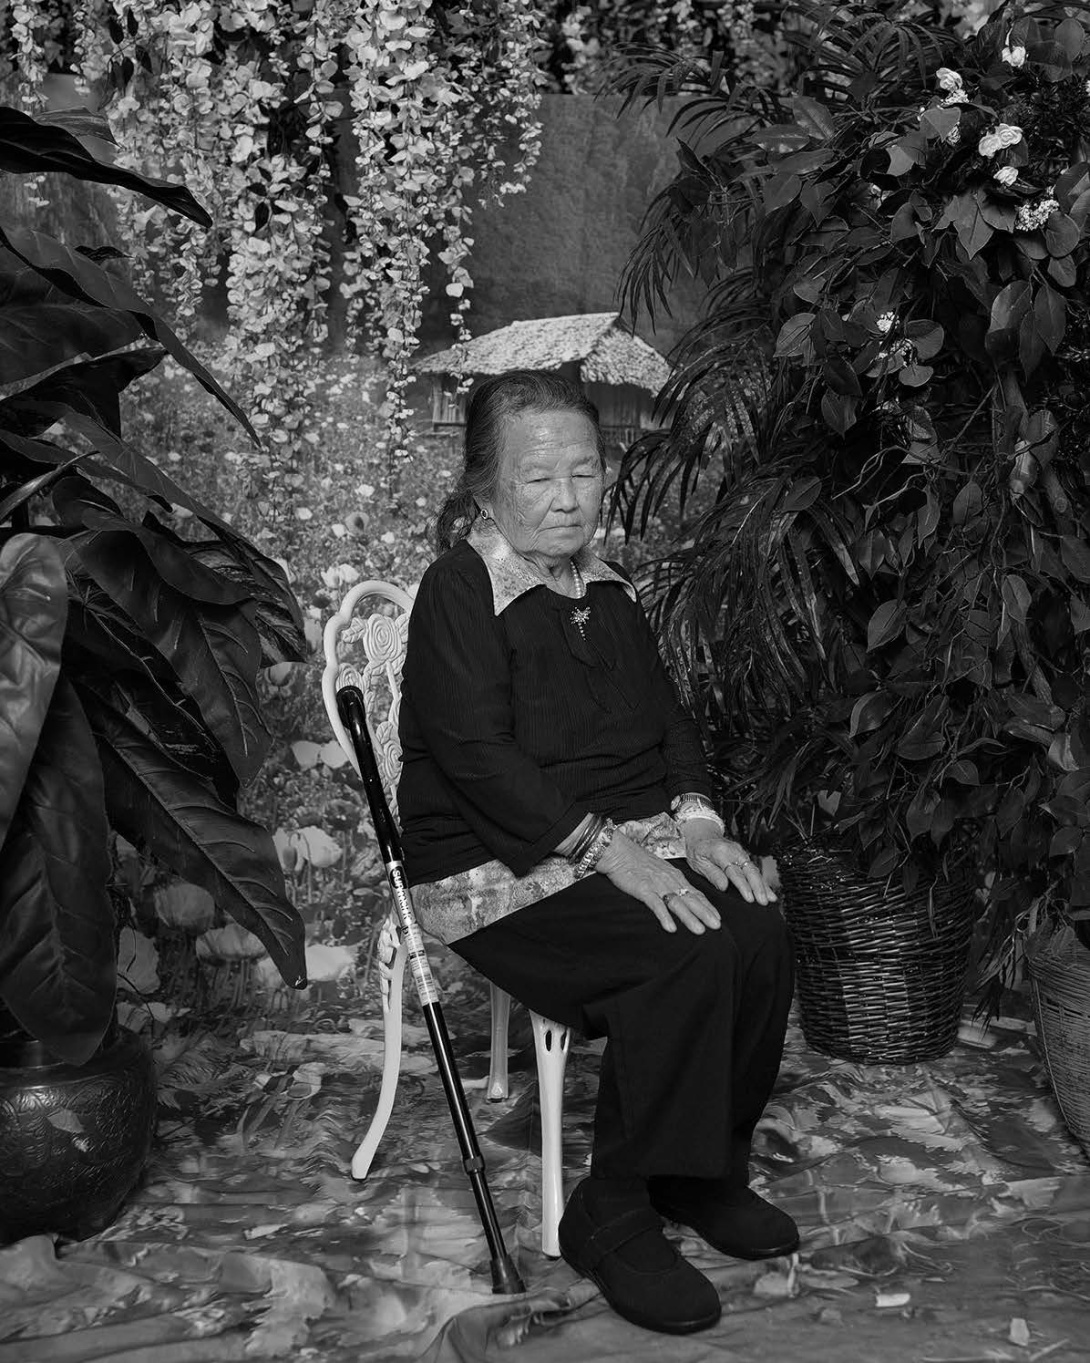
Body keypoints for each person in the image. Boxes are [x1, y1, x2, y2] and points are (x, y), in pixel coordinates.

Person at [397, 369, 795, 1336]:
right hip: (496, 866)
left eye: (585, 471)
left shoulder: (609, 589)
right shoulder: (459, 588)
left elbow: (670, 723)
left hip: (628, 839)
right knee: (681, 947)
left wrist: (699, 823)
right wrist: (611, 852)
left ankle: (699, 1175)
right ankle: (611, 1210)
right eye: (540, 478)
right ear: (485, 484)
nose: (568, 496)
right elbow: (478, 760)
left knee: (759, 925)